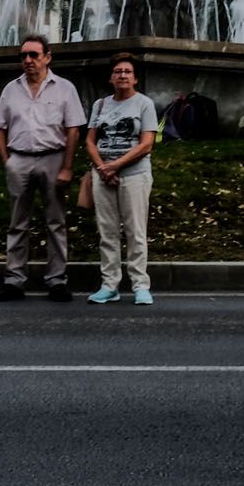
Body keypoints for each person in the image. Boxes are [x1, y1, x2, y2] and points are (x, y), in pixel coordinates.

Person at [0, 33, 85, 302]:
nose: (28, 60)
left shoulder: (64, 88)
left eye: (34, 55)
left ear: (47, 57)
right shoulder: (11, 88)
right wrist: (7, 161)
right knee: (17, 222)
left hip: (53, 158)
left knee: (56, 221)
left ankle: (56, 280)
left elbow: (74, 129)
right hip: (19, 159)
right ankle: (14, 280)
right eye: (23, 56)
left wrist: (67, 166)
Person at [86, 52, 160, 305]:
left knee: (135, 231)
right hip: (103, 176)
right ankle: (109, 285)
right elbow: (90, 140)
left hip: (134, 174)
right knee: (107, 232)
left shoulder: (144, 104)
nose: (122, 75)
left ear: (136, 78)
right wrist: (102, 168)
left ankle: (140, 284)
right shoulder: (100, 105)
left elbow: (147, 144)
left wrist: (114, 166)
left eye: (127, 72)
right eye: (118, 72)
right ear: (111, 78)